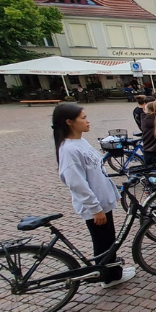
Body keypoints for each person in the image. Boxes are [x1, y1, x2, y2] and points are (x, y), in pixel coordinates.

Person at [53, 104, 135, 288]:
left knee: (109, 240)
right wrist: (95, 208)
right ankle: (107, 277)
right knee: (102, 242)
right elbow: (76, 183)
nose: (87, 120)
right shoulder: (68, 150)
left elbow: (97, 172)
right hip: (95, 206)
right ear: (69, 122)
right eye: (83, 117)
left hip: (102, 202)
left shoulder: (80, 142)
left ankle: (113, 272)